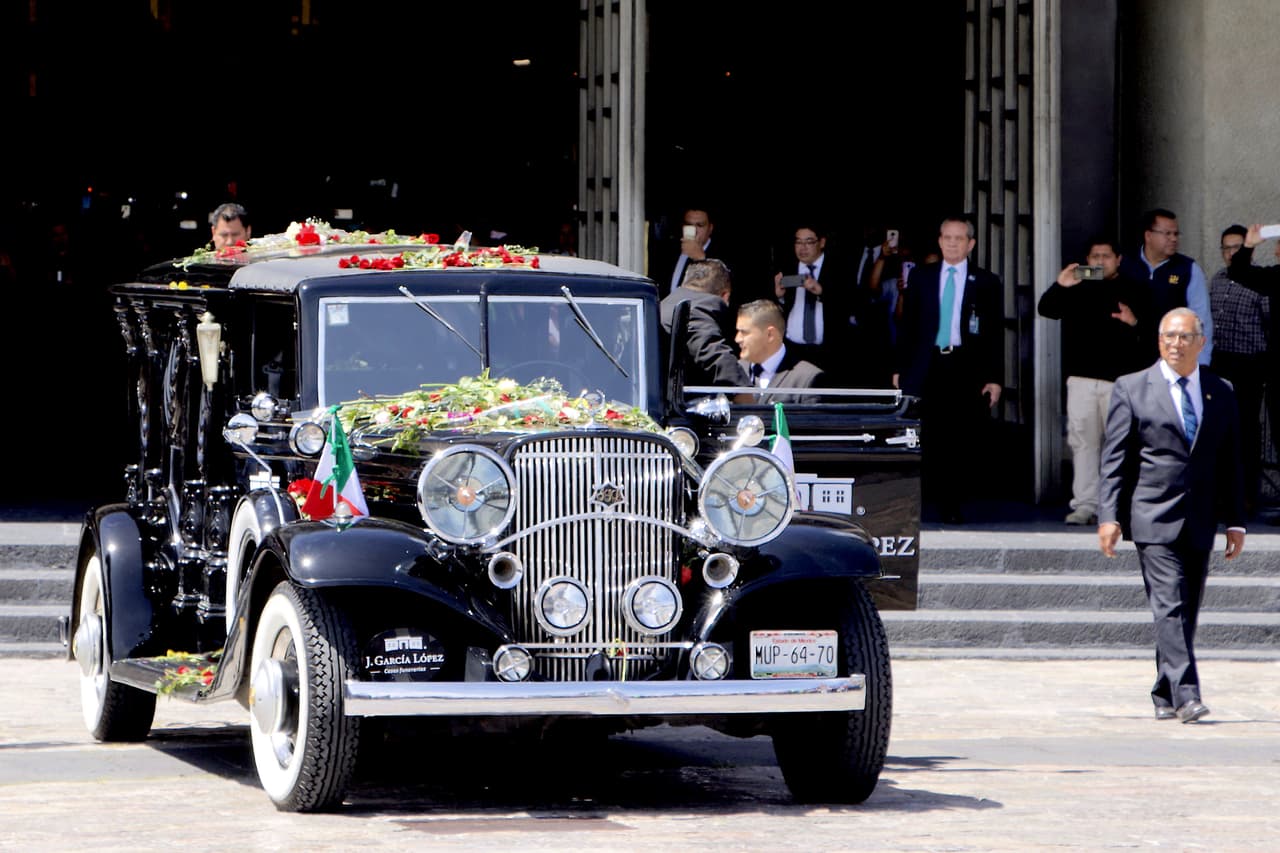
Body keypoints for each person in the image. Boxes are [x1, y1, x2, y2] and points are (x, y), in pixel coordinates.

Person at [1097, 308, 1246, 724]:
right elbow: (1114, 459)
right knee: (1169, 604)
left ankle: (1164, 691)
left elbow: (1231, 460)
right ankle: (1187, 695)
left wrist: (1235, 520)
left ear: (1201, 342)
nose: (1176, 344)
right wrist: (1109, 515)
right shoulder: (1132, 388)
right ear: (1159, 341)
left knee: (1187, 607)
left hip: (1200, 516)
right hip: (1152, 515)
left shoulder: (1220, 390)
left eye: (1184, 337)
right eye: (1168, 337)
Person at [893, 216, 1003, 524]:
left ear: (971, 244)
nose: (952, 243)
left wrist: (994, 377)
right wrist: (900, 368)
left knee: (958, 436)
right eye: (947, 238)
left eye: (959, 238)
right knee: (926, 433)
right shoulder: (922, 276)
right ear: (940, 241)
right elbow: (908, 325)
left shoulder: (986, 281)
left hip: (965, 365)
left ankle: (951, 504)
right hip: (928, 362)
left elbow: (994, 333)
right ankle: (922, 501)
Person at [1037, 238, 1153, 525]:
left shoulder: (1136, 288)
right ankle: (1085, 505)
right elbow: (1046, 309)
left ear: (1119, 259)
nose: (1100, 261)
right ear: (1087, 260)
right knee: (1083, 444)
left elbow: (1153, 335)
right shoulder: (1077, 286)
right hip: (1081, 379)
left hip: (1120, 381)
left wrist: (1133, 322)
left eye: (1106, 256)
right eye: (1094, 256)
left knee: (1120, 445)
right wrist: (1061, 284)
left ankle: (1117, 505)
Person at [1208, 225, 1271, 514]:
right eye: (1226, 248)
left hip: (1249, 364)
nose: (1231, 253)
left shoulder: (1259, 280)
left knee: (1246, 430)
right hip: (1220, 361)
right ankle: (1221, 494)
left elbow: (1269, 323)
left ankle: (1247, 495)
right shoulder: (1217, 279)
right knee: (1219, 428)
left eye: (1237, 247)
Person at [1118, 208, 1213, 366]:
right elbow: (1098, 270)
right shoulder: (1125, 262)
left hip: (1170, 360)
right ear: (1148, 236)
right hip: (1128, 357)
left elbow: (1201, 321)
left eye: (1176, 234)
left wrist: (1201, 364)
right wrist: (1077, 274)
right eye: (1167, 234)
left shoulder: (1188, 269)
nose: (1173, 239)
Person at [771, 222, 857, 383]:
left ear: (822, 242)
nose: (803, 248)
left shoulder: (839, 268)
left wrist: (822, 292)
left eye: (809, 242)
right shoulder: (787, 267)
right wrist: (779, 297)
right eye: (798, 242)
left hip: (828, 350)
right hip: (793, 348)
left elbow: (851, 304)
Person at [659, 257, 751, 388]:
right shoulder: (697, 308)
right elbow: (717, 357)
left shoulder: (664, 304)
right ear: (725, 295)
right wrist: (746, 396)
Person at [734, 299, 825, 404]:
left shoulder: (806, 378)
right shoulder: (735, 371)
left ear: (770, 334)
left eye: (744, 332)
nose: (737, 339)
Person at [655, 207, 733, 301]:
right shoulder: (670, 250)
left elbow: (722, 290)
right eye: (689, 225)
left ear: (710, 228)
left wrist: (700, 259)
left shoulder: (722, 255)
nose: (694, 231)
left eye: (700, 225)